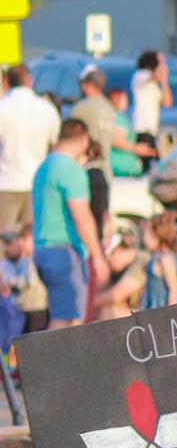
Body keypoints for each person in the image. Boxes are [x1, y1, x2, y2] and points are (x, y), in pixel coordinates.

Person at [31, 119, 107, 329]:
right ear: (83, 139)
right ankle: (51, 362)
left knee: (61, 315)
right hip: (64, 252)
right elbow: (81, 216)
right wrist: (98, 255)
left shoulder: (44, 167)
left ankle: (48, 361)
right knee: (68, 319)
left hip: (43, 248)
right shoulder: (70, 170)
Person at [0, 63, 59, 233]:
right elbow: (54, 147)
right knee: (33, 238)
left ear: (6, 82)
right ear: (30, 81)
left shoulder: (3, 107)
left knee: (4, 242)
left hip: (6, 182)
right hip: (37, 182)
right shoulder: (47, 109)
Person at [71, 66, 119, 237]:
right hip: (105, 170)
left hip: (85, 171)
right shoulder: (109, 108)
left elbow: (71, 135)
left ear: (88, 85)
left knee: (85, 222)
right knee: (101, 222)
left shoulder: (81, 108)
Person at [1, 227, 50, 334]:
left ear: (20, 242)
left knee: (35, 341)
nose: (5, 248)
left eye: (9, 243)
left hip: (36, 309)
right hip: (17, 310)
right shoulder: (5, 264)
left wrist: (11, 282)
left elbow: (30, 281)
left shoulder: (29, 261)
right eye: (4, 244)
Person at [131, 49, 173, 154]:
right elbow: (156, 75)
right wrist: (161, 62)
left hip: (152, 130)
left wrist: (164, 82)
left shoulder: (154, 86)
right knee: (151, 162)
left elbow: (167, 102)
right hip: (141, 129)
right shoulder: (140, 76)